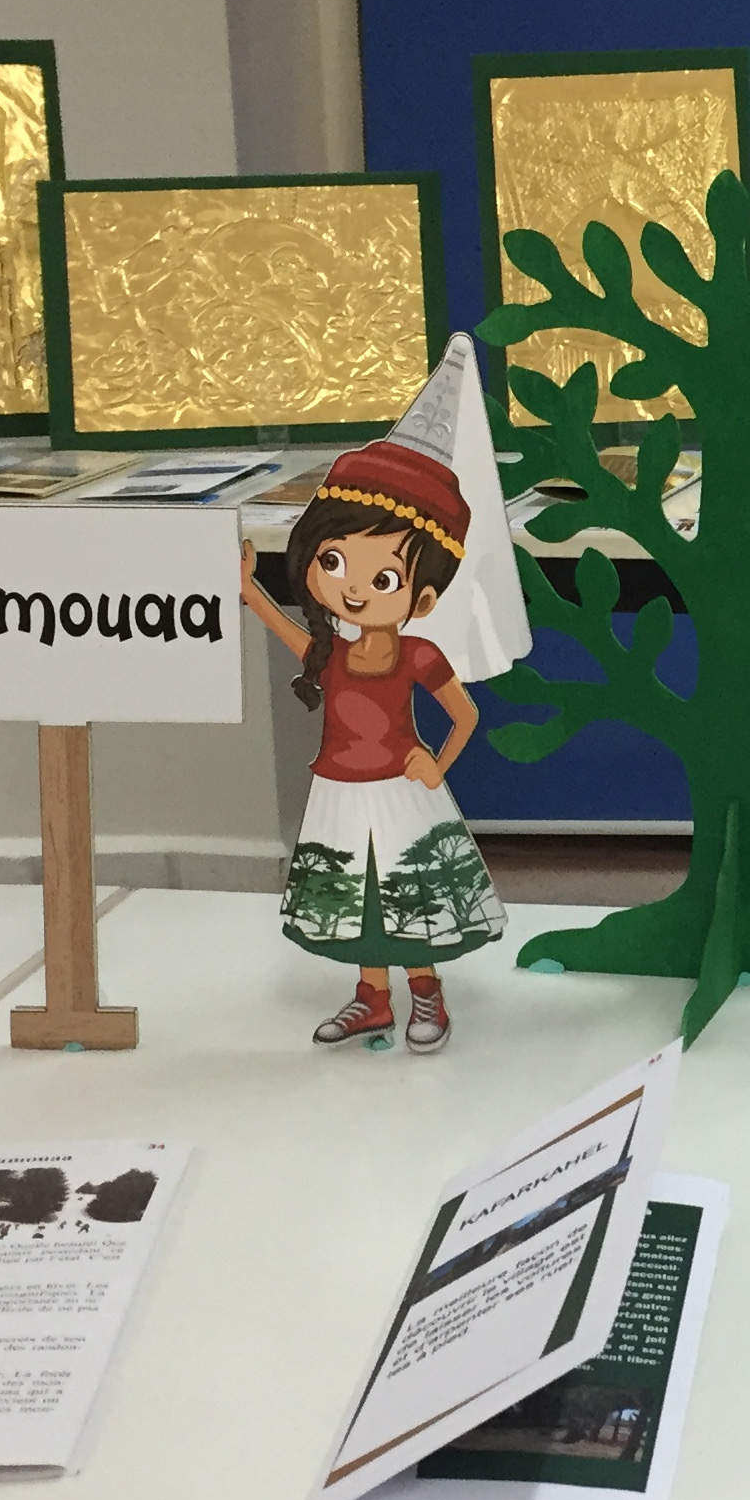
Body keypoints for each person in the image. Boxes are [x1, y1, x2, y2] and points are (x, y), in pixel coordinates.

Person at [239, 363, 506, 1053]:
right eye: (334, 563)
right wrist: (250, 591)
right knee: (356, 897)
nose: (353, 589)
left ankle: (425, 992)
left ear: (423, 598)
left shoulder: (417, 655)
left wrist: (435, 763)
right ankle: (373, 998)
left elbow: (466, 715)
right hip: (339, 788)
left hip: (398, 791)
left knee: (406, 892)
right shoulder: (330, 651)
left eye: (383, 577)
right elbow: (291, 635)